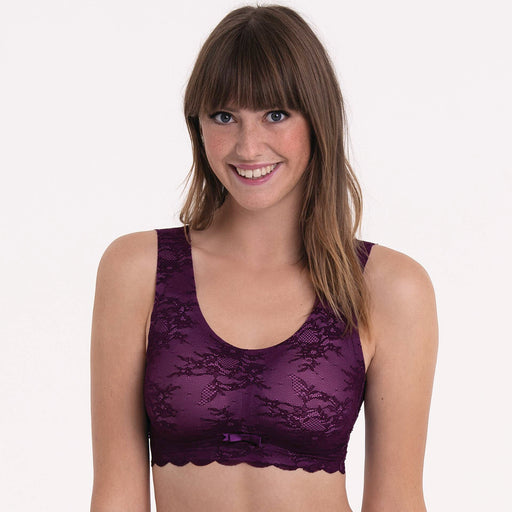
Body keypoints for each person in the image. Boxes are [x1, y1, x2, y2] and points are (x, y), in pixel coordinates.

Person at [90, 5, 438, 512]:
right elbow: (115, 497)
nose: (249, 147)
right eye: (224, 116)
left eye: (276, 114)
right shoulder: (137, 270)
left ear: (317, 119)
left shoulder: (390, 287)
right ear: (197, 125)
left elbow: (398, 502)